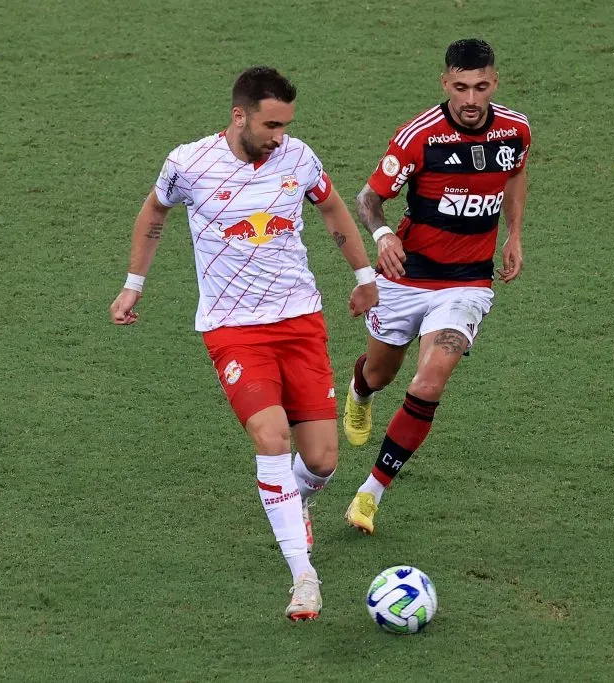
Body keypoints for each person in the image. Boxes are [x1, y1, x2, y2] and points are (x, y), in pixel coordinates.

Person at [110, 67, 379, 620]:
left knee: (323, 461)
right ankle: (303, 575)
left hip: (300, 322)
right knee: (271, 434)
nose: (279, 136)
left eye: (285, 125)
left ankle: (292, 497)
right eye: (270, 125)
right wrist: (134, 284)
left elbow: (331, 208)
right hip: (232, 329)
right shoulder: (188, 163)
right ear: (239, 115)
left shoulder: (298, 158)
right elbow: (154, 212)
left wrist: (363, 275)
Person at [343, 39, 531, 534]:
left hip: (466, 284)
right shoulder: (418, 137)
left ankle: (370, 493)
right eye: (462, 87)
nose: (472, 99)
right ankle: (360, 390)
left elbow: (515, 175)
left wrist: (513, 235)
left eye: (482, 87)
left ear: (495, 82)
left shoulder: (515, 130)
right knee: (381, 375)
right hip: (406, 278)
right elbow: (367, 198)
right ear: (445, 83)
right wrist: (382, 234)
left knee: (429, 382)